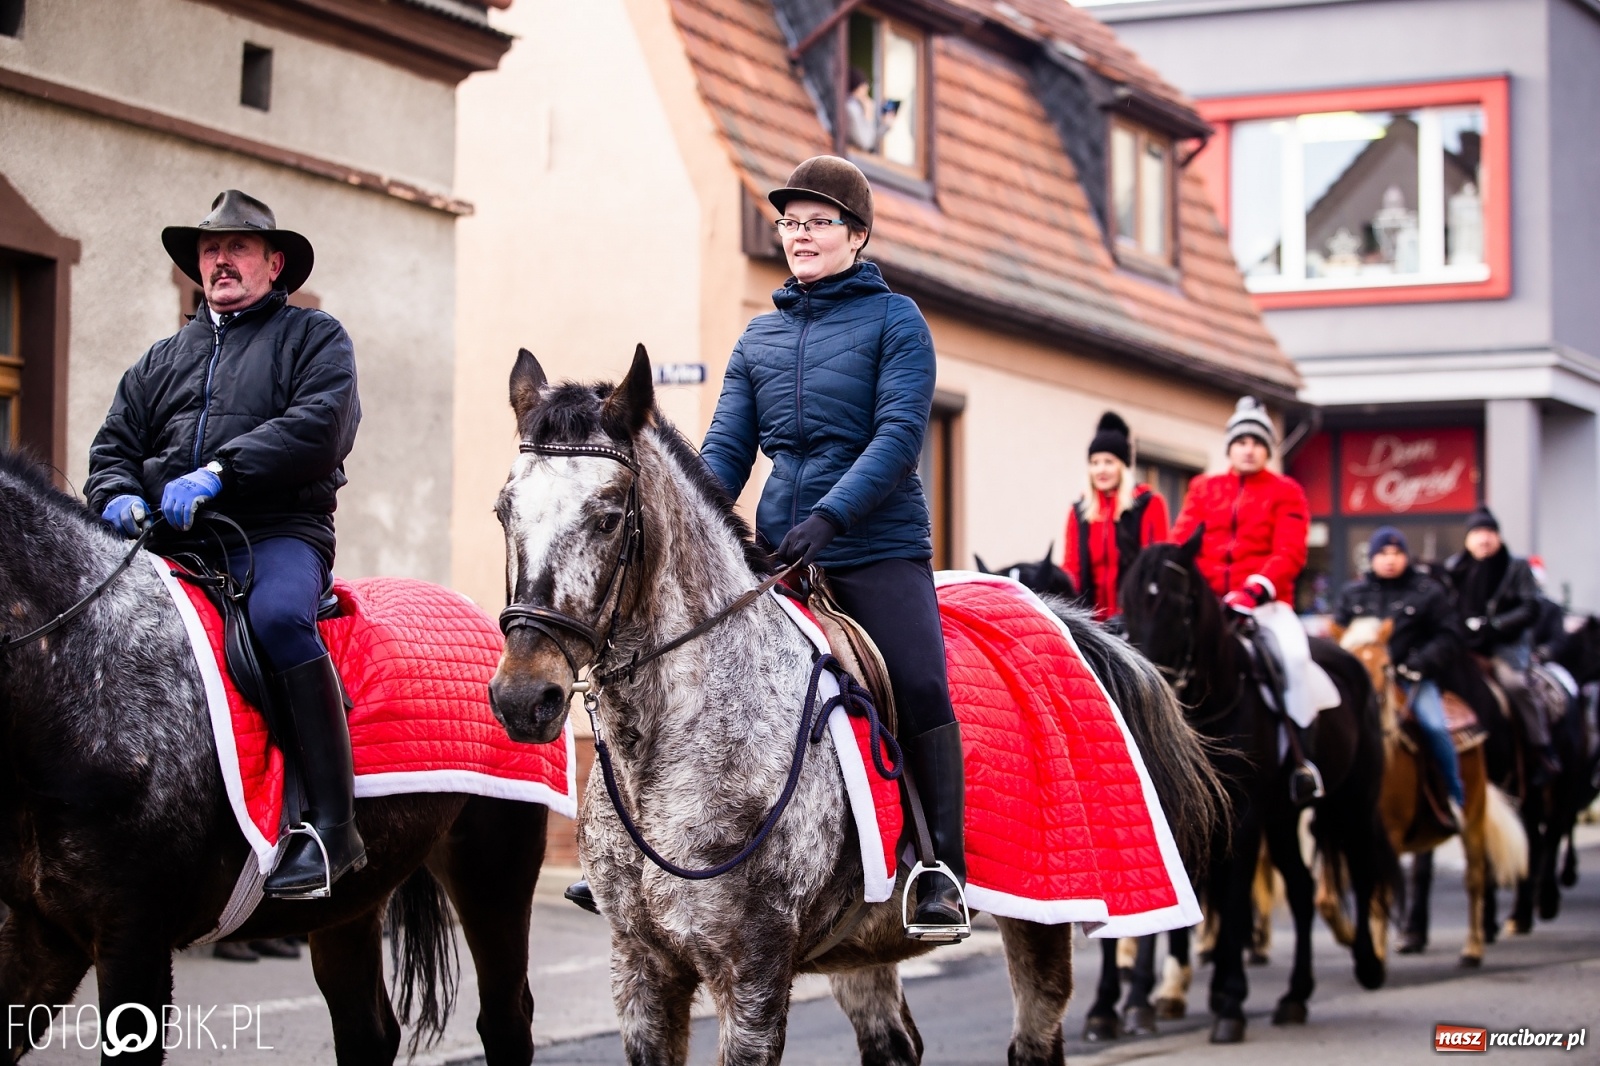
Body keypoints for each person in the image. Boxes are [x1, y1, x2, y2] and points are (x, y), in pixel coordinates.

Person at [703, 155, 965, 939]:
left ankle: (939, 868)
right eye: (791, 222)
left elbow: (896, 441)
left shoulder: (898, 322)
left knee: (919, 682)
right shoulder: (759, 337)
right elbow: (724, 454)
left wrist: (832, 518)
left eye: (819, 222)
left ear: (856, 233)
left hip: (875, 544)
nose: (801, 235)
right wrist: (702, 517)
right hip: (778, 550)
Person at [85, 190, 363, 899]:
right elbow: (113, 448)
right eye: (209, 250)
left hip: (274, 534)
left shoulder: (315, 338)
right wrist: (114, 493)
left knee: (275, 620)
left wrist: (219, 471)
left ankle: (333, 827)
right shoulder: (159, 360)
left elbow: (320, 425)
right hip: (174, 542)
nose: (220, 261)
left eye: (237, 248)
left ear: (275, 264)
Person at [1172, 396, 1330, 805]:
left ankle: (1301, 763)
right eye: (1240, 440)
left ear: (1267, 451)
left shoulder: (1288, 491)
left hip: (1266, 605)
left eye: (1257, 442)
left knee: (1295, 663)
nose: (1248, 448)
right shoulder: (1202, 488)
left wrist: (1254, 589)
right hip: (1210, 606)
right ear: (1229, 447)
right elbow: (1184, 543)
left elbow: (1290, 552)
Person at [1334, 528, 1466, 825]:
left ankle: (1453, 795)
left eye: (1396, 553)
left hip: (1412, 679)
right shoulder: (1352, 593)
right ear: (1372, 559)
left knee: (1433, 725)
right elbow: (1338, 634)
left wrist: (1420, 663)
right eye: (1383, 554)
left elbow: (1449, 635)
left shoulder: (1428, 591)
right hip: (1362, 683)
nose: (1390, 560)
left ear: (1406, 556)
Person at [1442, 508, 1558, 786]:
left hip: (1504, 649)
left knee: (1516, 685)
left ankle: (1541, 749)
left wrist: (1492, 624)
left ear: (1498, 537)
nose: (1484, 540)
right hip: (1462, 649)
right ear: (1468, 538)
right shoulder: (1454, 568)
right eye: (1478, 533)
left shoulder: (1516, 567)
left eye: (1489, 533)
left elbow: (1530, 607)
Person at [1062, 411, 1169, 620]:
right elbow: (1071, 569)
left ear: (1123, 466)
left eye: (1108, 462)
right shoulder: (1079, 512)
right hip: (1091, 621)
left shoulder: (1149, 504)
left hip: (1135, 619)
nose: (1101, 469)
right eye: (1095, 462)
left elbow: (1157, 565)